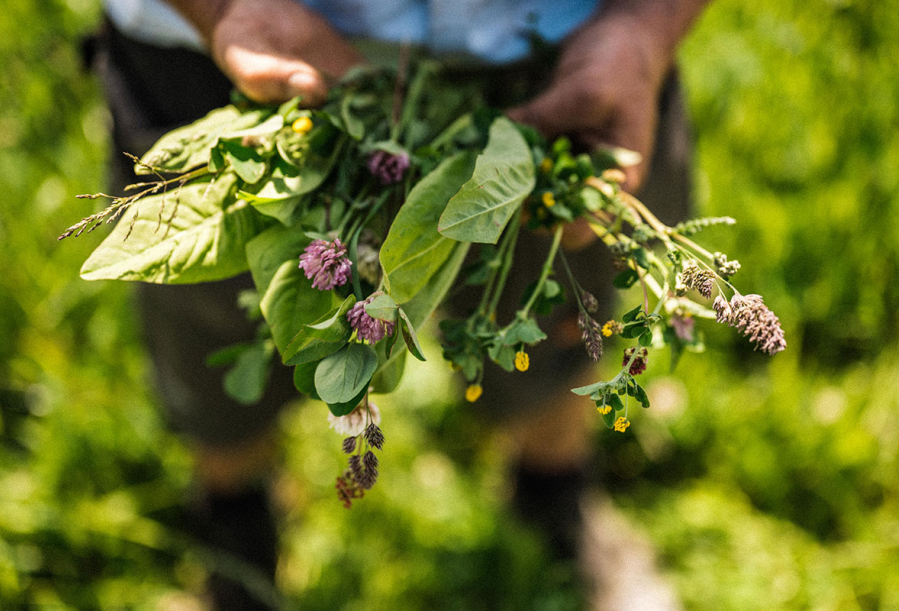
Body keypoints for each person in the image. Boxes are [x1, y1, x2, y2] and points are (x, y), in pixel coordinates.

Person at [92, 0, 709, 608]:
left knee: (558, 317)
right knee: (211, 335)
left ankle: (553, 494)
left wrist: (645, 26)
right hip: (236, 47)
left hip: (558, 54)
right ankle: (234, 521)